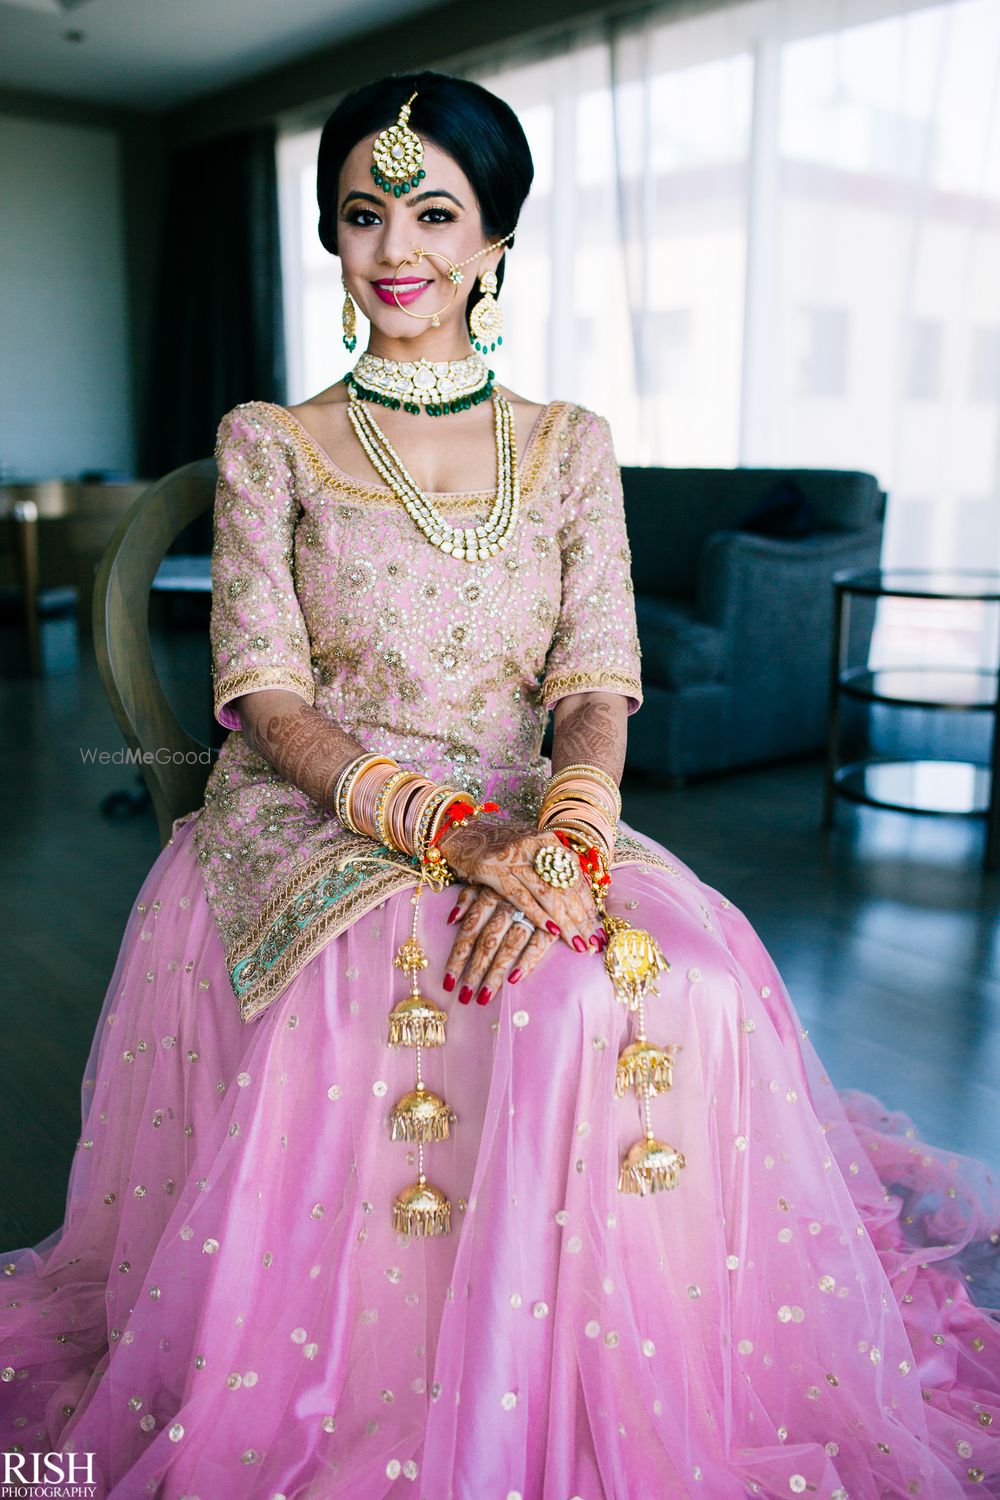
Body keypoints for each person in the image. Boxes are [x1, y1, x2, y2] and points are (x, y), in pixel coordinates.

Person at [2, 67, 998, 1500]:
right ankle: (429, 1382)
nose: (396, 249)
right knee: (515, 1004)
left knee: (691, 982)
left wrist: (570, 839)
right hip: (320, 813)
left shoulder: (572, 446)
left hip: (530, 806)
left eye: (433, 212)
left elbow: (596, 681)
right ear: (332, 238)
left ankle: (614, 1373)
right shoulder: (269, 443)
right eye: (361, 214)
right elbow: (265, 694)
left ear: (495, 239)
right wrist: (456, 838)